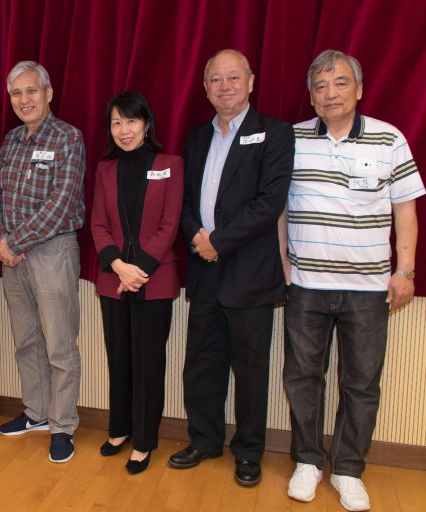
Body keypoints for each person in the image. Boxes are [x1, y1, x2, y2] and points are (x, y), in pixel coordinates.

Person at [281, 50, 423, 512]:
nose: (330, 93)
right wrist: (283, 264)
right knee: (303, 377)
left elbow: (405, 210)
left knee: (361, 383)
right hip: (306, 285)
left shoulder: (390, 139)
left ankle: (347, 469)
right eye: (320, 86)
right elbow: (277, 209)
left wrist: (405, 271)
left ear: (359, 89)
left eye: (340, 83)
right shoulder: (292, 140)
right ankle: (307, 461)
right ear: (311, 96)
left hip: (368, 289)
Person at [169, 49, 294, 486]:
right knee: (202, 364)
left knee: (251, 370)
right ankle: (204, 440)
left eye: (233, 77)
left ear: (251, 82)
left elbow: (269, 203)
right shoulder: (197, 137)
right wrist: (197, 239)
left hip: (250, 272)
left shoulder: (275, 134)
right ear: (205, 88)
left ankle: (249, 452)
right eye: (216, 80)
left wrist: (217, 242)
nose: (225, 86)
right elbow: (185, 200)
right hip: (204, 270)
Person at [0, 60, 86, 463]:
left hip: (52, 251)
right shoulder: (11, 140)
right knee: (27, 341)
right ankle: (36, 412)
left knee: (60, 345)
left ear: (48, 93)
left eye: (31, 90)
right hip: (11, 255)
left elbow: (62, 203)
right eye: (16, 93)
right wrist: (1, 239)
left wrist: (15, 241)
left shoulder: (68, 137)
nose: (24, 99)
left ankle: (62, 426)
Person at [90, 91, 183, 474]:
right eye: (116, 122)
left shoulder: (170, 164)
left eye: (131, 120)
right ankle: (119, 429)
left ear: (146, 124)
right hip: (113, 280)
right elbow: (98, 223)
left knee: (148, 364)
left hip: (154, 280)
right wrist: (119, 267)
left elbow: (170, 224)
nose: (124, 129)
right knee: (119, 359)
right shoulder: (105, 169)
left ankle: (143, 441)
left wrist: (137, 270)